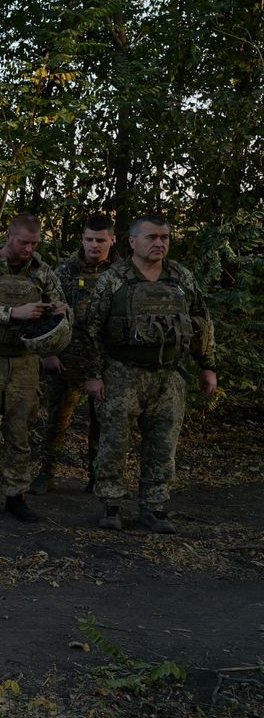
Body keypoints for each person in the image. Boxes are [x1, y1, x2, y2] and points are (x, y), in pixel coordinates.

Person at [84, 215, 217, 533]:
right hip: (122, 374)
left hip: (168, 375)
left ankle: (154, 506)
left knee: (162, 444)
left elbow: (201, 321)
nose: (159, 243)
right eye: (151, 237)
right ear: (132, 241)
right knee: (114, 443)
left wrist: (207, 365)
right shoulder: (114, 278)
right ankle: (111, 504)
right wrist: (93, 374)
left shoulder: (180, 276)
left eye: (165, 237)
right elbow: (91, 330)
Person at [0, 213, 68, 523]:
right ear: (9, 236)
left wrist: (57, 311)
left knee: (20, 430)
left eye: (35, 243)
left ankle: (16, 494)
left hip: (24, 362)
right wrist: (12, 313)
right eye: (23, 243)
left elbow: (61, 305)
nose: (29, 249)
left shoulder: (42, 272)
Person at [30, 214, 116, 494]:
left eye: (100, 240)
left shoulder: (121, 274)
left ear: (112, 240)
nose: (94, 245)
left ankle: (97, 475)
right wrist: (48, 353)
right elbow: (46, 313)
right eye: (89, 239)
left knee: (103, 422)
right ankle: (47, 472)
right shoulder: (65, 271)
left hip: (107, 362)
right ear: (82, 239)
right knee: (57, 419)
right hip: (67, 358)